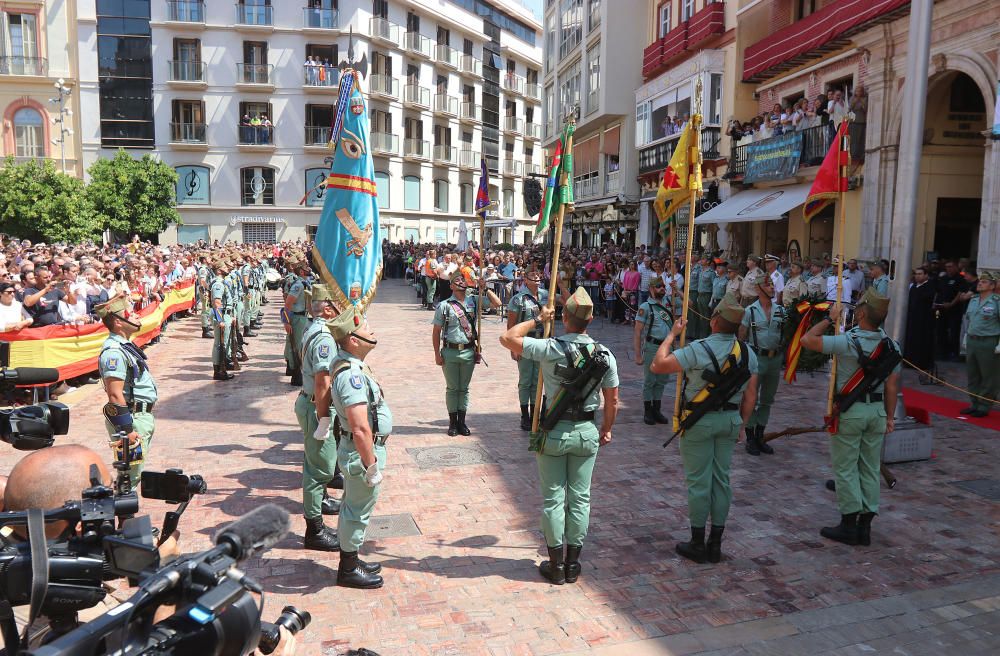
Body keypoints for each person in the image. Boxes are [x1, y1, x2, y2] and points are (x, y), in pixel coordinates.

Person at [499, 287, 619, 585]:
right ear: (591, 318)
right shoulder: (605, 355)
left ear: (565, 317)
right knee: (580, 498)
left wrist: (537, 320)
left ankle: (555, 566)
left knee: (553, 499)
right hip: (586, 433)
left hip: (554, 430)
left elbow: (507, 338)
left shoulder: (551, 347)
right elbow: (613, 400)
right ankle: (573, 564)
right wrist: (607, 429)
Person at [650, 294, 758, 564]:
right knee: (722, 481)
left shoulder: (699, 348)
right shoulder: (748, 353)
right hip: (730, 421)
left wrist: (672, 335)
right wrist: (742, 425)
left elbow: (658, 365)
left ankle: (698, 543)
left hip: (699, 421)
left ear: (715, 321)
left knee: (699, 483)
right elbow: (751, 397)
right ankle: (715, 544)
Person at [800, 289, 900, 546]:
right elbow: (891, 387)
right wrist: (890, 418)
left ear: (863, 313)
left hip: (851, 413)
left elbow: (807, 340)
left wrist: (830, 319)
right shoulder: (891, 346)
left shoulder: (846, 341)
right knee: (869, 468)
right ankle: (865, 526)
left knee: (845, 469)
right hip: (877, 412)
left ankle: (848, 524)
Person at [327, 307, 390, 589]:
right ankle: (348, 569)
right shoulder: (351, 375)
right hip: (361, 451)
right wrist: (371, 464)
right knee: (357, 510)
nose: (372, 332)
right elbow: (360, 427)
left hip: (360, 449)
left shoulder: (351, 365)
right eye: (366, 328)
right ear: (353, 340)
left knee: (353, 506)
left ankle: (351, 557)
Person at [296, 284, 343, 552]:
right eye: (335, 305)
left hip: (311, 402)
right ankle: (314, 529)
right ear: (327, 308)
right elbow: (323, 382)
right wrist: (324, 417)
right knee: (319, 469)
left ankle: (320, 504)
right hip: (316, 404)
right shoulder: (324, 336)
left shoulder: (314, 328)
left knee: (314, 461)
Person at [95, 294, 158, 485]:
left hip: (139, 417)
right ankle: (124, 515)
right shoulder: (114, 352)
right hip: (131, 419)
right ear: (118, 321)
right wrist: (127, 429)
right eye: (131, 314)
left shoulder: (124, 346)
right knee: (129, 478)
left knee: (132, 475)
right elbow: (114, 394)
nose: (137, 317)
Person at [431, 273, 501, 436]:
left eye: (463, 280)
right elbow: (436, 332)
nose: (461, 282)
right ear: (451, 286)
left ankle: (462, 422)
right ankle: (452, 423)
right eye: (457, 281)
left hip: (469, 350)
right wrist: (436, 354)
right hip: (450, 351)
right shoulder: (444, 305)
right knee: (452, 388)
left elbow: (497, 304)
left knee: (464, 389)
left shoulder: (473, 300)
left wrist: (484, 289)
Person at [739, 276, 786, 456]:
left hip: (774, 359)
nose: (772, 287)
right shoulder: (749, 311)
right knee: (751, 398)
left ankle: (760, 436)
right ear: (758, 289)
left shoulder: (781, 311)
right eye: (767, 284)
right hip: (756, 359)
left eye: (772, 284)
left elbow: (787, 332)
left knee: (767, 399)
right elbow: (742, 337)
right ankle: (750, 437)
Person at [507, 269, 550, 431]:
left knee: (538, 380)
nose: (537, 277)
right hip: (524, 341)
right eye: (533, 276)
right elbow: (511, 324)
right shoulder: (518, 299)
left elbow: (566, 301)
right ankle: (525, 415)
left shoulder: (547, 294)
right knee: (525, 380)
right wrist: (513, 347)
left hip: (542, 341)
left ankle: (535, 414)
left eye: (538, 275)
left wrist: (561, 285)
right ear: (525, 280)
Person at [957, 272, 998, 417]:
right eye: (980, 281)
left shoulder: (996, 302)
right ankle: (974, 403)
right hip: (972, 340)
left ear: (992, 286)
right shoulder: (973, 300)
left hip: (988, 342)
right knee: (973, 374)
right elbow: (970, 321)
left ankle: (984, 406)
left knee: (988, 376)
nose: (980, 283)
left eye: (985, 282)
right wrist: (965, 339)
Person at [634, 277, 673, 425]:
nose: (662, 288)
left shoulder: (669, 303)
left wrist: (677, 291)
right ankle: (648, 411)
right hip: (652, 347)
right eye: (658, 286)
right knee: (650, 380)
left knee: (662, 380)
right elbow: (638, 331)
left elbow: (690, 304)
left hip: (667, 347)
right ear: (651, 289)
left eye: (663, 286)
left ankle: (657, 409)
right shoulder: (646, 306)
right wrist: (638, 354)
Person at [904, 266, 937, 381]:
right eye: (916, 274)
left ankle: (921, 363)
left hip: (923, 320)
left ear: (926, 275)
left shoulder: (929, 287)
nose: (917, 276)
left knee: (921, 341)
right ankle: (909, 361)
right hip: (912, 319)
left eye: (920, 274)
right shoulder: (913, 287)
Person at [211, 260, 236, 381]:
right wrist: (220, 319)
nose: (228, 268)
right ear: (219, 270)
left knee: (223, 343)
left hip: (226, 314)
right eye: (225, 266)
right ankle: (218, 371)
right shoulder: (218, 284)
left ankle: (222, 368)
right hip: (221, 314)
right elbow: (217, 303)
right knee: (220, 344)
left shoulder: (222, 282)